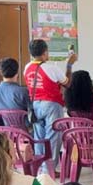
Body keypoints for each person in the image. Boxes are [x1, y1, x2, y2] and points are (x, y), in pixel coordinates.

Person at [24, 39, 77, 174]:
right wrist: (69, 65)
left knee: (39, 137)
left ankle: (40, 167)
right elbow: (68, 83)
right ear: (45, 52)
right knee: (53, 137)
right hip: (52, 104)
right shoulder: (51, 68)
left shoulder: (27, 67)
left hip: (35, 105)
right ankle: (49, 170)